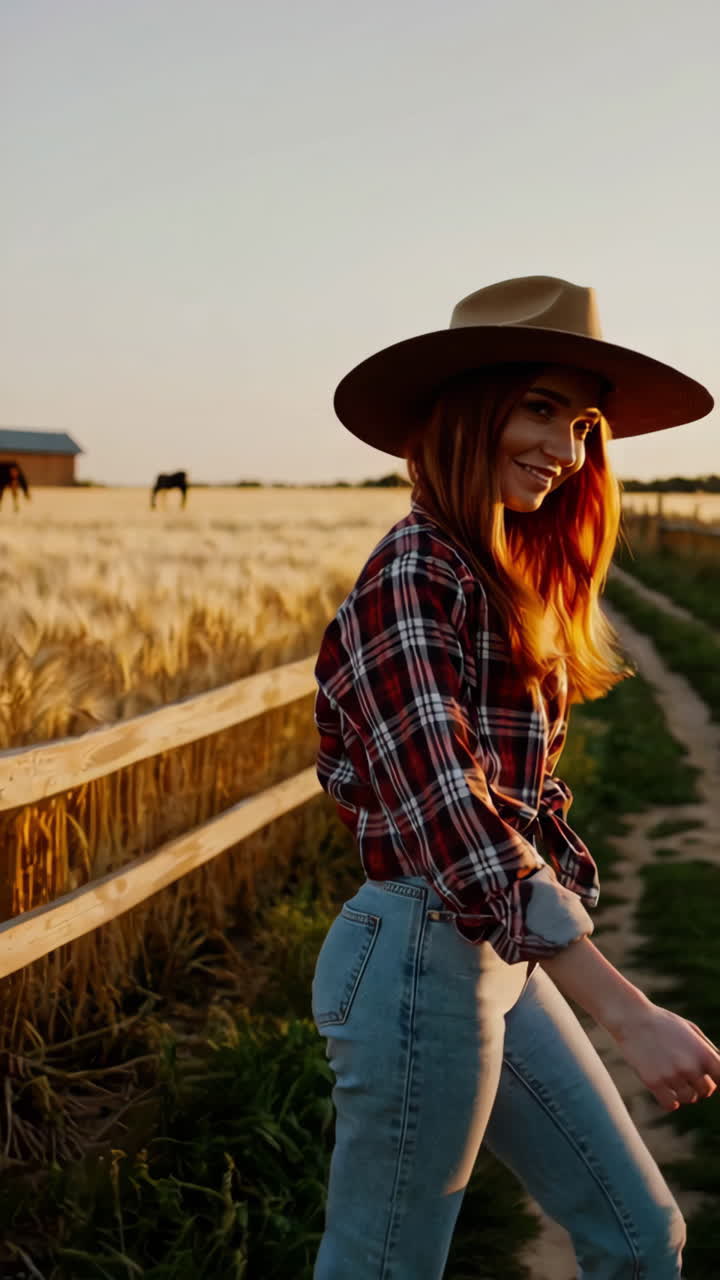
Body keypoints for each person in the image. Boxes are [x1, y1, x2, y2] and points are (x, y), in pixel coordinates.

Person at [310, 275, 719, 1279]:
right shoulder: (414, 570)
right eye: (541, 407)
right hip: (417, 953)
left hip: (494, 955)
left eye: (582, 423)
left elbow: (522, 798)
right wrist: (626, 1009)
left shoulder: (492, 574)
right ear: (467, 407)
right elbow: (459, 820)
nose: (567, 450)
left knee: (641, 1236)